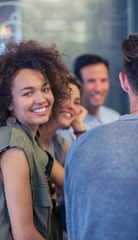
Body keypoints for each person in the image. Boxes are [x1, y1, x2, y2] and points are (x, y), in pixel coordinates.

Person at [0, 40, 69, 240]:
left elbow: (70, 183)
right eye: (28, 93)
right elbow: (25, 235)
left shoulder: (30, 137)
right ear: (8, 102)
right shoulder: (15, 149)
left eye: (45, 89)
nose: (41, 99)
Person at [64, 33, 138, 240]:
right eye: (91, 81)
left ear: (123, 81)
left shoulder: (107, 123)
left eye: (103, 80)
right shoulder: (66, 132)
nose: (98, 87)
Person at [39, 73, 87, 239]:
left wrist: (79, 126)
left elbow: (86, 182)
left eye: (77, 102)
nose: (72, 106)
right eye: (65, 97)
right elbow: (72, 187)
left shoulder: (58, 143)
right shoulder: (32, 141)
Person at [57, 54, 120, 145]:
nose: (98, 89)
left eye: (103, 80)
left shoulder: (115, 118)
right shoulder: (65, 128)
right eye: (91, 81)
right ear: (78, 84)